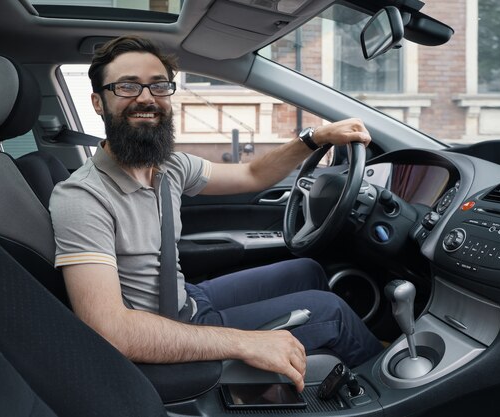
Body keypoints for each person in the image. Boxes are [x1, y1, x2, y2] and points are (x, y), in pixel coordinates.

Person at [49, 35, 383, 392]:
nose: (146, 98)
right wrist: (243, 341)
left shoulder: (169, 166)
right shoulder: (82, 197)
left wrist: (316, 138)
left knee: (308, 269)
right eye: (127, 86)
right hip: (166, 326)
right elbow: (110, 331)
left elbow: (252, 174)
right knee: (331, 311)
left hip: (186, 298)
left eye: (158, 86)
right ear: (99, 103)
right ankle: (386, 387)